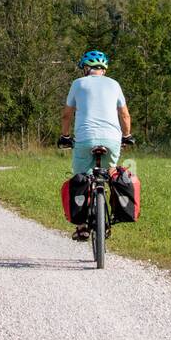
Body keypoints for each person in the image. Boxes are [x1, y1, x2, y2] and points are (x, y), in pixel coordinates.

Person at [59, 51, 131, 238]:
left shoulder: (78, 84)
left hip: (85, 139)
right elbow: (124, 115)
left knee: (81, 177)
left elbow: (67, 115)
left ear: (85, 68)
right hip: (112, 139)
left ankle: (82, 226)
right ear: (104, 70)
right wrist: (127, 135)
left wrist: (65, 136)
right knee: (112, 176)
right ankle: (113, 214)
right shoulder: (115, 84)